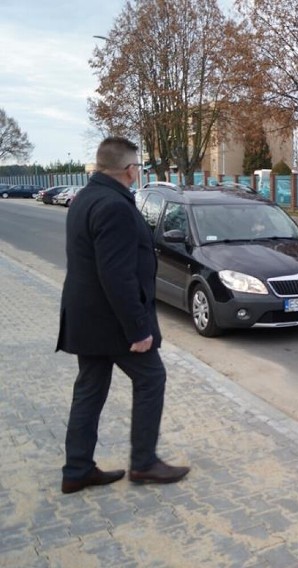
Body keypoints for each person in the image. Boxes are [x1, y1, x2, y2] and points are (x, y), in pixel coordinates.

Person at [57, 136, 190, 494]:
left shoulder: (85, 197)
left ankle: (77, 469)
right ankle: (144, 463)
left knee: (89, 390)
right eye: (138, 168)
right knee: (151, 379)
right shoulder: (114, 206)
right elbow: (115, 274)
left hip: (88, 319)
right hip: (112, 322)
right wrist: (138, 329)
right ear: (131, 170)